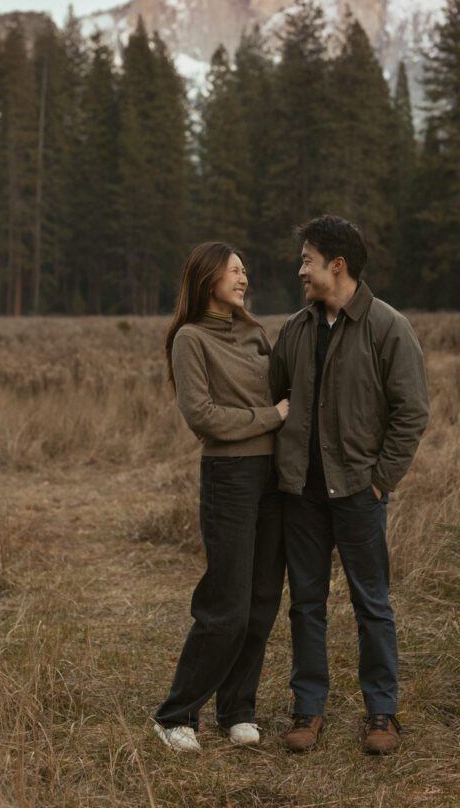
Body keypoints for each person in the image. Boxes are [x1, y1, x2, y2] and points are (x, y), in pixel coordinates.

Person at [270, 215, 429, 754]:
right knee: (305, 604)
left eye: (307, 261)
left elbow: (412, 412)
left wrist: (381, 481)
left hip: (361, 494)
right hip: (303, 496)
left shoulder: (388, 327)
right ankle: (307, 708)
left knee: (372, 604)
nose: (301, 271)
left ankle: (381, 713)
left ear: (337, 266)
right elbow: (274, 403)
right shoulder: (294, 329)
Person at [154, 241, 289, 753]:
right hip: (229, 477)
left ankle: (238, 709)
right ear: (207, 276)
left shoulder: (256, 333)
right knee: (226, 605)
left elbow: (285, 392)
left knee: (260, 601)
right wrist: (271, 418)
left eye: (245, 270)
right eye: (234, 270)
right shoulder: (189, 339)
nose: (244, 277)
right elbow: (202, 417)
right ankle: (176, 715)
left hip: (272, 478)